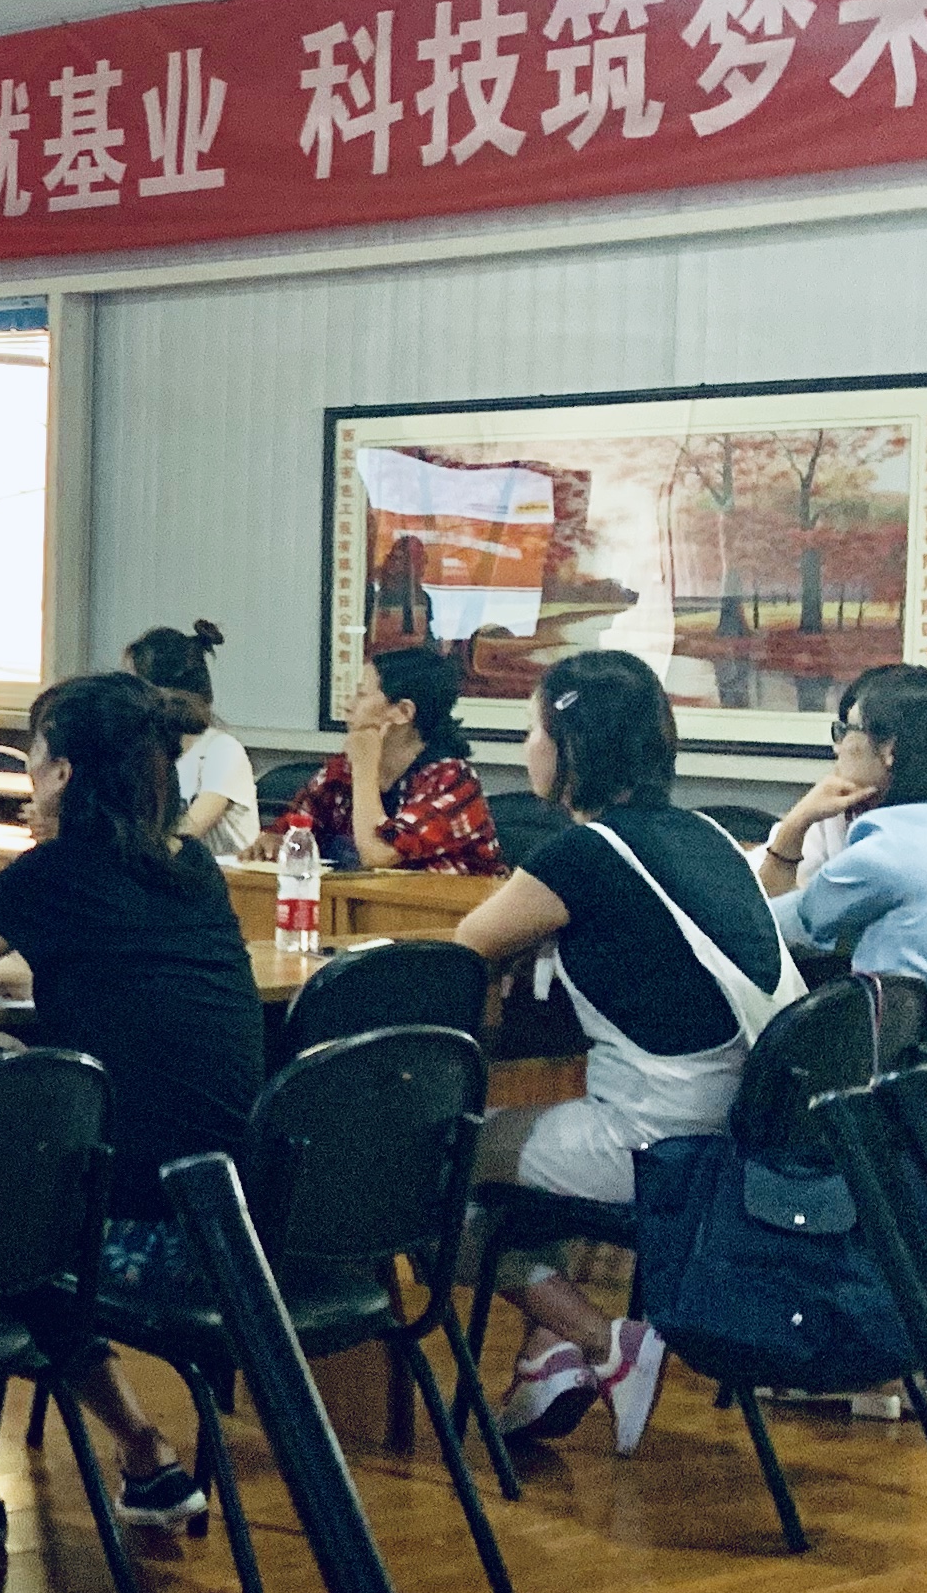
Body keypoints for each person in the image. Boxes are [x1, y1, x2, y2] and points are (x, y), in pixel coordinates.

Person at [0, 672, 244, 1547]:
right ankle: (144, 1454)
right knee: (29, 1214)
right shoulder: (190, 868)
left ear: (60, 774)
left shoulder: (54, 872)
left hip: (143, 1240)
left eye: (35, 755)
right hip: (233, 1222)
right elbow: (106, 959)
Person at [453, 648, 795, 1452]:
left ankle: (602, 1339)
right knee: (526, 1160)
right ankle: (550, 1357)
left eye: (532, 729)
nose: (525, 749)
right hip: (746, 1135)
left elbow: (463, 951)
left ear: (568, 746)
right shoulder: (708, 834)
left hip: (657, 1144)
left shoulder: (582, 854)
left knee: (433, 1164)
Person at [764, 664, 927, 1148]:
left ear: (889, 749)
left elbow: (772, 928)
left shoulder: (891, 850)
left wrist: (797, 823)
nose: (837, 747)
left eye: (845, 730)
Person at [277, 645, 505, 874]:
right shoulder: (340, 771)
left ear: (403, 712)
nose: (348, 706)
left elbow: (377, 854)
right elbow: (293, 829)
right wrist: (275, 841)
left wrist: (365, 767)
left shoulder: (452, 781)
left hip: (443, 898)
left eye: (362, 695)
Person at [125, 619, 258, 861]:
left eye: (133, 683)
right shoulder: (140, 747)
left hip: (221, 879)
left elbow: (184, 834)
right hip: (158, 872)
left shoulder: (223, 751)